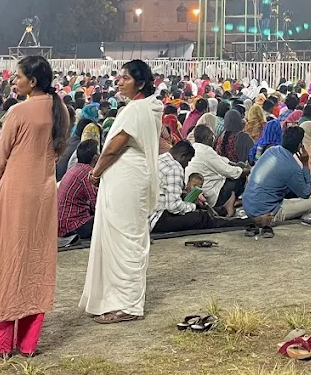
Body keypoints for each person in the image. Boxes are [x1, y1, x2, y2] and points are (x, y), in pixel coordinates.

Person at [0, 54, 69, 361]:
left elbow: (2, 156)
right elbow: (58, 151)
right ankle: (27, 342)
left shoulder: (19, 111)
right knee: (35, 263)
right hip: (44, 194)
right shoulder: (60, 110)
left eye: (18, 77)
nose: (13, 81)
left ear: (32, 81)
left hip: (15, 193)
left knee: (3, 264)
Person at [79, 59, 163, 324]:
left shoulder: (136, 110)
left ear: (139, 83)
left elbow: (115, 146)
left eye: (125, 78)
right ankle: (117, 299)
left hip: (127, 180)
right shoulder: (149, 107)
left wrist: (95, 172)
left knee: (126, 240)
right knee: (122, 239)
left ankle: (128, 305)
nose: (118, 81)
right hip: (130, 179)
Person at [241, 124, 311, 228]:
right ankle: (271, 217)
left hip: (247, 206)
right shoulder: (292, 166)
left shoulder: (271, 150)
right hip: (267, 212)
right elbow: (306, 193)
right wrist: (305, 164)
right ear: (300, 145)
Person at [151, 140, 217, 234]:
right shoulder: (175, 168)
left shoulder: (160, 159)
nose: (187, 165)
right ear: (183, 156)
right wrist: (193, 206)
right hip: (157, 220)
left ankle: (222, 211)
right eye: (188, 161)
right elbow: (174, 207)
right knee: (202, 217)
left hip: (147, 217)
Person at [187, 124, 249, 216]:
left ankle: (232, 201)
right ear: (208, 138)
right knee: (239, 177)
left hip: (202, 193)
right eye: (213, 136)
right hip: (212, 197)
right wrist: (247, 171)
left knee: (238, 167)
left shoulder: (195, 148)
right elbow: (229, 172)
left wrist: (236, 165)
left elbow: (221, 160)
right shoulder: (206, 151)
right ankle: (230, 202)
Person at [57, 139, 100, 240]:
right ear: (95, 158)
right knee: (107, 222)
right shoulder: (88, 173)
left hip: (61, 225)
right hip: (72, 227)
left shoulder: (74, 169)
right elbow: (97, 204)